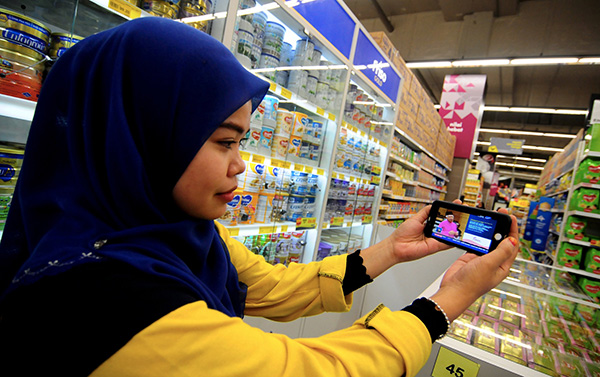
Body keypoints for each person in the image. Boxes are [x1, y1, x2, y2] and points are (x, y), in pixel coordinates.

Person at [0, 17, 519, 377]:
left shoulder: (183, 234)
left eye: (242, 141)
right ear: (141, 136)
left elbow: (271, 287)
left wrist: (393, 250)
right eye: (224, 141)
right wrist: (449, 298)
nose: (240, 164)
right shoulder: (104, 301)